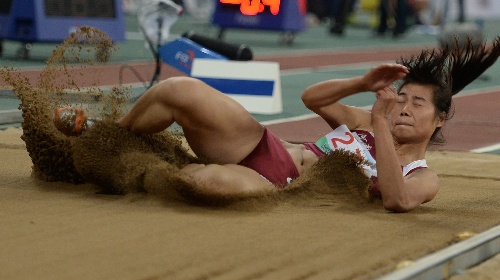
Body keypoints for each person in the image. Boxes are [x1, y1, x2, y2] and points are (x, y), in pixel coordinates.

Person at [54, 37, 500, 212]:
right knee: (181, 90)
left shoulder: (423, 176)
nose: (402, 107)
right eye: (399, 97)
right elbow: (312, 98)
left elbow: (398, 202)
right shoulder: (365, 117)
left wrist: (381, 126)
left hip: (282, 186)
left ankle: (144, 163)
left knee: (207, 185)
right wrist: (362, 82)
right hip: (267, 147)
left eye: (417, 103)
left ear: (440, 117)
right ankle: (106, 135)